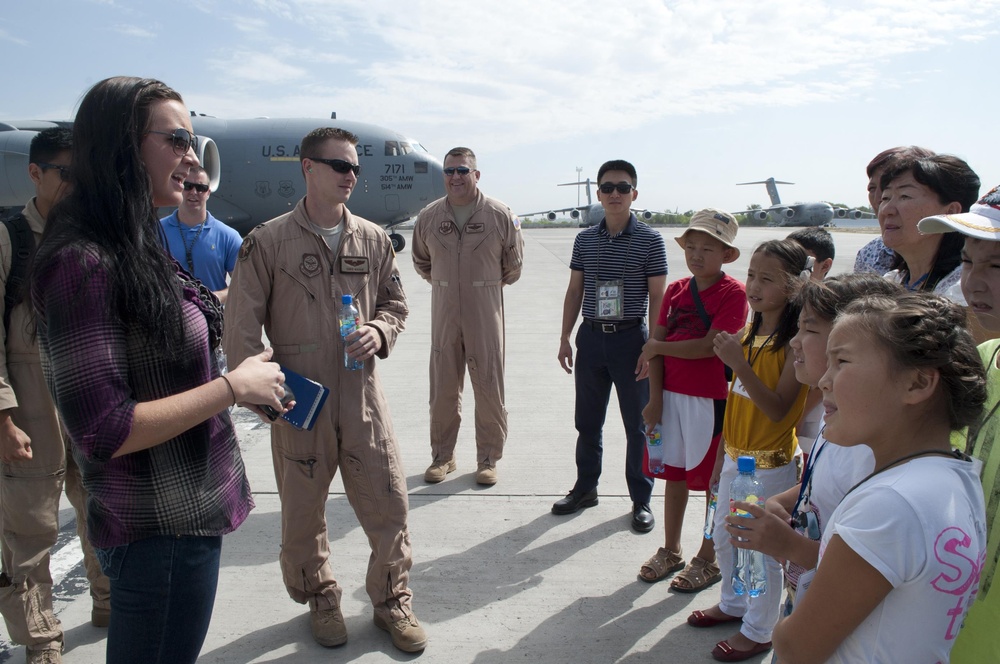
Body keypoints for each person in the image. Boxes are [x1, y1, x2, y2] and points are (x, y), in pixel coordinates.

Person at [29, 76, 286, 664]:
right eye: (176, 139)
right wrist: (229, 388)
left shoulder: (130, 244)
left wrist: (242, 386)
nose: (192, 156)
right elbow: (103, 430)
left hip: (185, 517)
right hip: (158, 531)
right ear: (124, 145)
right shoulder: (82, 262)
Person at [223, 127, 425, 653]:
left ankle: (390, 600)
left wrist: (380, 330)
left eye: (354, 167)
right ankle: (321, 597)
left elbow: (396, 305)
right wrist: (259, 393)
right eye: (338, 166)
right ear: (307, 168)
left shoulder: (374, 239)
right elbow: (242, 328)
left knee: (389, 504)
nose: (349, 175)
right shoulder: (266, 242)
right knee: (303, 514)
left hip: (362, 399)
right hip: (299, 402)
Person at [772, 292, 987, 663]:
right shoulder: (952, 476)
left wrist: (781, 627)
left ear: (917, 384)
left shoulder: (890, 505)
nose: (824, 380)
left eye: (841, 362)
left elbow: (795, 648)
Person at [722, 275, 898, 622]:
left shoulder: (868, 446)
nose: (794, 342)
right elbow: (820, 483)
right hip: (802, 596)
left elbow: (863, 569)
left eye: (808, 330)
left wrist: (787, 545)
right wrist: (780, 502)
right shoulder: (834, 419)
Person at [0, 128, 110, 662]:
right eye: (65, 172)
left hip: (88, 406)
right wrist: (3, 418)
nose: (75, 184)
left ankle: (109, 600)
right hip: (31, 412)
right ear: (36, 174)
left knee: (103, 512)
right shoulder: (10, 241)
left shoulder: (92, 239)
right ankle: (41, 639)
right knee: (30, 533)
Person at [687, 239, 810, 662]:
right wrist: (720, 454)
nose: (754, 286)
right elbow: (735, 401)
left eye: (767, 278)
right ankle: (734, 604)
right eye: (752, 275)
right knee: (722, 537)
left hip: (770, 467)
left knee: (759, 553)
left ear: (793, 287)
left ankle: (760, 629)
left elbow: (777, 411)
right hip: (734, 460)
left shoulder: (794, 343)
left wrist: (739, 364)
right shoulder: (749, 332)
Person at [553, 160, 667, 533]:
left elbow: (658, 296)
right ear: (599, 194)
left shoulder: (651, 240)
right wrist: (565, 337)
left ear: (634, 193)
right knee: (587, 422)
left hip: (630, 339)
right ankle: (586, 488)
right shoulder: (585, 239)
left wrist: (652, 345)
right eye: (607, 188)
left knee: (637, 425)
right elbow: (575, 290)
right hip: (591, 338)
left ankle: (641, 499)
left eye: (622, 187)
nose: (614, 194)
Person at [637, 209, 747, 592]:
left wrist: (657, 345)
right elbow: (657, 353)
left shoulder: (733, 293)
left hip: (710, 399)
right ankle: (671, 548)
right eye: (692, 247)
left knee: (712, 483)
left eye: (708, 248)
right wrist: (654, 400)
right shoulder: (676, 290)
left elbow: (709, 348)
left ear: (727, 255)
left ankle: (708, 556)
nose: (697, 255)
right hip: (669, 398)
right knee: (675, 476)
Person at [917, 187, 1000, 662]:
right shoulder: (981, 362)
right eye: (969, 262)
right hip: (954, 629)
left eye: (997, 266)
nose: (974, 283)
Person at [411, 147, 524, 486]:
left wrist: (481, 287)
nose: (455, 177)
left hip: (485, 313)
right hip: (444, 313)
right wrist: (448, 285)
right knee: (443, 388)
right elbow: (421, 260)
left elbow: (513, 266)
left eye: (462, 170)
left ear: (476, 175)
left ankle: (488, 459)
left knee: (489, 386)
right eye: (449, 171)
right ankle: (442, 457)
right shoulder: (429, 217)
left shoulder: (499, 214)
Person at [878, 153, 979, 299]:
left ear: (951, 212)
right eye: (885, 198)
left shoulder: (967, 289)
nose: (887, 210)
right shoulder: (890, 282)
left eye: (905, 196)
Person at [160, 166, 242, 304]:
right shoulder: (156, 231)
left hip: (211, 321)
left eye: (201, 188)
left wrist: (216, 297)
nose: (194, 192)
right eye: (188, 186)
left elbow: (243, 284)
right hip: (166, 319)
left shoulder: (228, 237)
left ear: (208, 193)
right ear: (179, 188)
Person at [853, 146, 935, 275]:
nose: (880, 199)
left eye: (904, 194)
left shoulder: (968, 263)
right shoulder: (868, 255)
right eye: (872, 189)